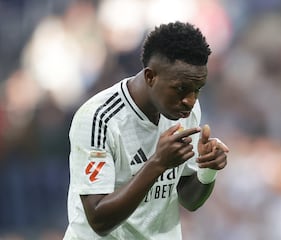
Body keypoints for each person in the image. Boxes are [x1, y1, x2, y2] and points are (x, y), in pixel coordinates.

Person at [63, 21, 229, 240]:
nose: (190, 101)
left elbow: (190, 200)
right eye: (181, 89)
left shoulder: (184, 112)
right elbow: (99, 220)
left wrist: (207, 171)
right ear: (151, 77)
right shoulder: (99, 118)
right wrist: (158, 163)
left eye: (197, 90)